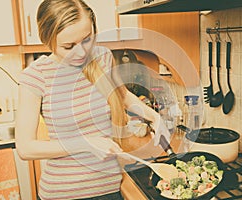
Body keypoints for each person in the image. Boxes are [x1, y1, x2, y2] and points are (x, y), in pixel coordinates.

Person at [15, 0, 171, 199]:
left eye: (87, 39)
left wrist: (154, 118)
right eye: (68, 46)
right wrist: (86, 143)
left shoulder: (103, 56)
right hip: (63, 193)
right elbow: (25, 148)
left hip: (110, 188)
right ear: (47, 39)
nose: (81, 53)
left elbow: (122, 96)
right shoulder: (36, 76)